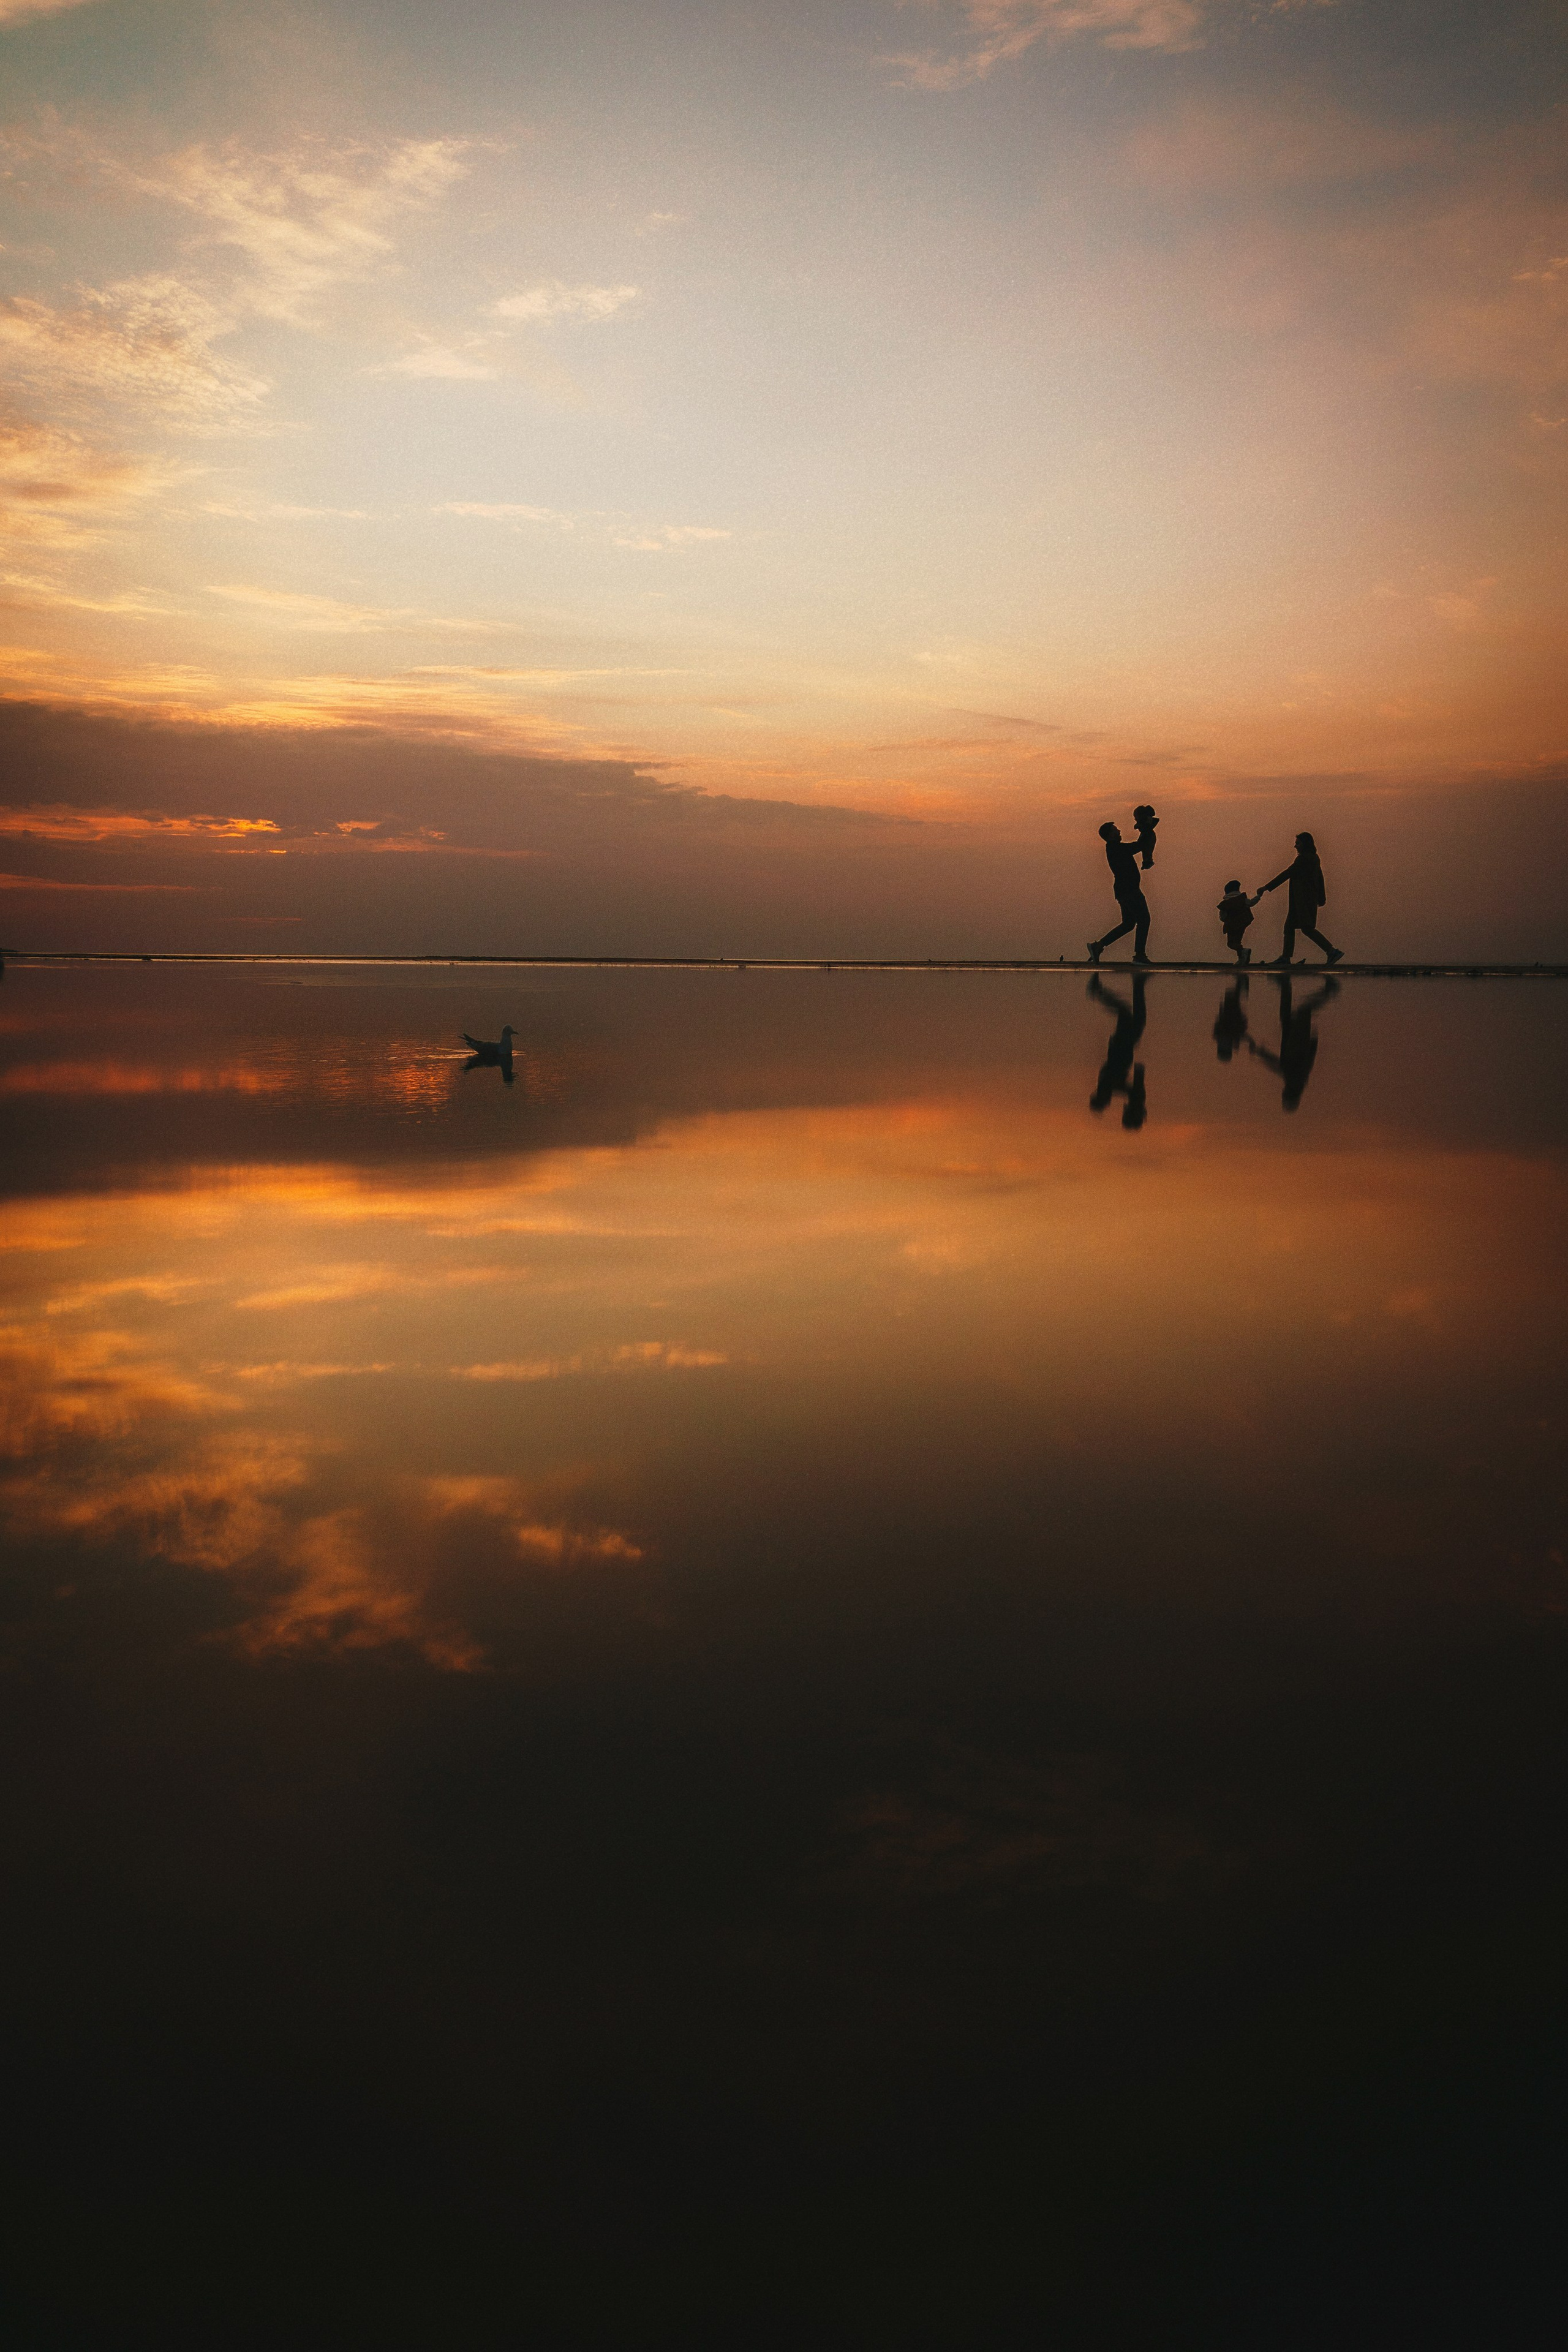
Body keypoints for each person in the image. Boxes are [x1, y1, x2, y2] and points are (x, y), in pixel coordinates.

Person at [1248, 974, 1339, 1110]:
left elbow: (1278, 1065)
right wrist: (1261, 1054)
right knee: (1303, 1011)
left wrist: (1261, 1054)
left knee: (1288, 1014)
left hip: (1291, 1040)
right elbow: (1281, 1065)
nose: (1282, 1093)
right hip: (1298, 1041)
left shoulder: (1295, 1081)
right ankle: (1329, 991)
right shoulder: (1295, 1079)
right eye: (1285, 1096)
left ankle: (1286, 985)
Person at [1256, 832, 1343, 967]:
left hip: (1303, 900)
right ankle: (1286, 957)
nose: (1295, 846)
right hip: (1304, 900)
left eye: (1298, 843)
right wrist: (1322, 897)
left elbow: (1288, 873)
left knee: (1307, 928)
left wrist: (1266, 887)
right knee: (1290, 927)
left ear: (1305, 844)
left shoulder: (1303, 859)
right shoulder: (1314, 858)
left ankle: (1332, 951)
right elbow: (1320, 878)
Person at [1088, 973, 1148, 1129]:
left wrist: (1135, 1091)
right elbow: (1126, 1089)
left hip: (1123, 1045)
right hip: (1122, 1046)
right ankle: (1137, 984)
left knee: (1129, 1013)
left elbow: (1124, 1088)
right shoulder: (1108, 1086)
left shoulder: (1107, 1085)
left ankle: (1099, 991)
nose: (1108, 1103)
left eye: (1105, 1103)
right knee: (1129, 1013)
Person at [1087, 821, 1152, 964]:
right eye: (1116, 830)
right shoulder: (1116, 848)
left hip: (1124, 890)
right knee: (1144, 919)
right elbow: (1138, 846)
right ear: (1110, 835)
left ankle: (1098, 946)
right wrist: (1147, 830)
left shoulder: (1115, 848)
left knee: (1129, 923)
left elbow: (1137, 846)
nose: (1119, 831)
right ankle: (1139, 955)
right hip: (1130, 890)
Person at [1217, 880, 1261, 965]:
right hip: (1242, 924)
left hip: (1232, 926)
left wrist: (1224, 920)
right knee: (1238, 942)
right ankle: (1242, 958)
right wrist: (1259, 896)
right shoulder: (1242, 900)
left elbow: (1223, 917)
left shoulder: (1225, 904)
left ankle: (1243, 951)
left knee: (1231, 943)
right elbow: (1252, 903)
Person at [1132, 804, 1159, 869]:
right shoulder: (1146, 822)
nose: (1135, 819)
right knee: (1146, 851)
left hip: (1148, 837)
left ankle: (1147, 862)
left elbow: (1144, 828)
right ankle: (1147, 862)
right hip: (1148, 836)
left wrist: (1138, 826)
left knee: (1147, 850)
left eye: (1136, 817)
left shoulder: (1147, 823)